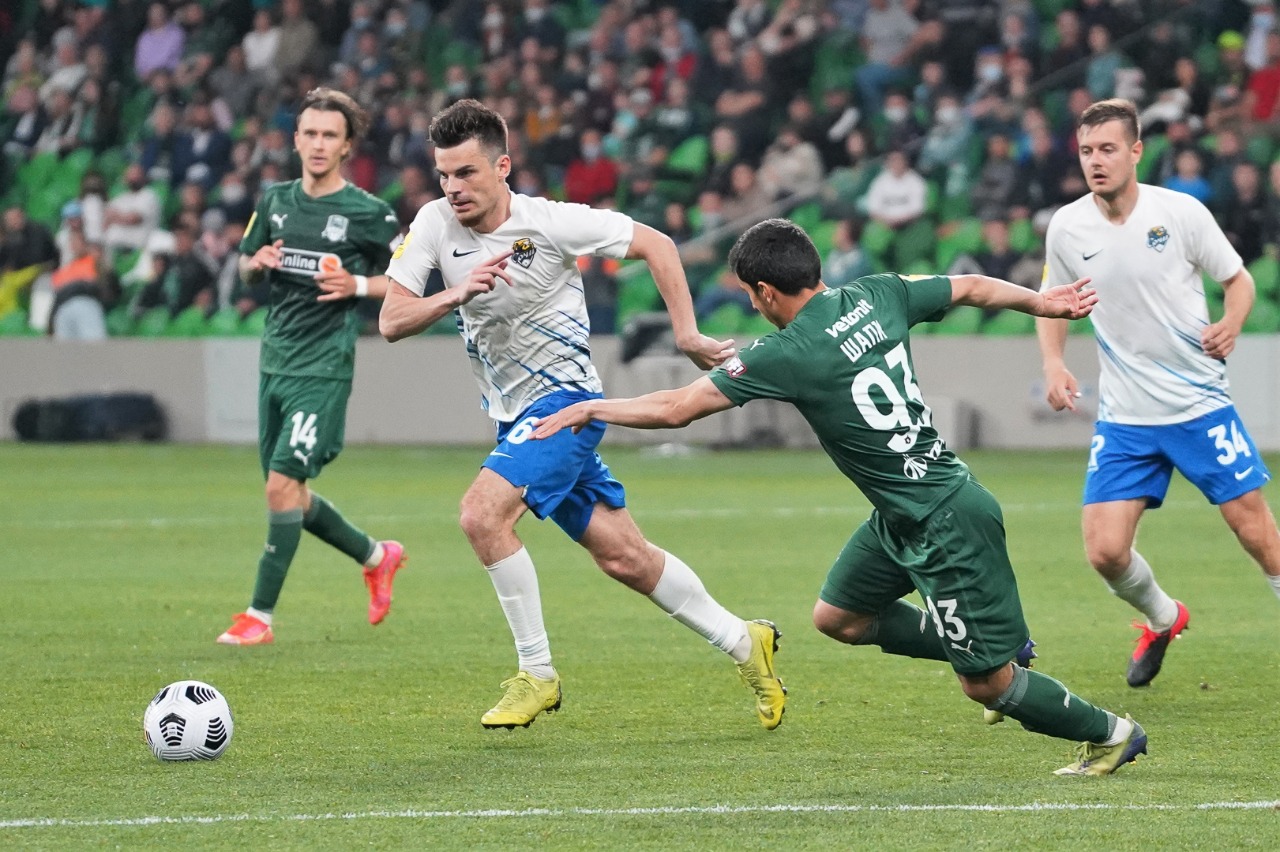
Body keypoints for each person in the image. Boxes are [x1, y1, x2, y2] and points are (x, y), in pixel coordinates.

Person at [532, 218, 1148, 777]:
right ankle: (991, 643)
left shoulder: (787, 351)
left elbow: (676, 408)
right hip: (903, 513)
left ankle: (1111, 734)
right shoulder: (879, 293)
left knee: (986, 686)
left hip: (943, 520)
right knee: (839, 617)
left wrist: (593, 407)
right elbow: (969, 287)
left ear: (765, 292)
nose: (753, 305)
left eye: (750, 295)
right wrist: (1040, 301)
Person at [379, 99, 786, 731]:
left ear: (502, 167)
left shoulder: (551, 223)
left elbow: (657, 244)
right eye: (444, 174)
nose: (452, 187)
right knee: (625, 557)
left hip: (566, 403)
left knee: (482, 515)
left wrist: (686, 334)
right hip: (511, 415)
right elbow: (391, 320)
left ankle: (536, 673)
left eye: (466, 173)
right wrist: (455, 292)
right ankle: (743, 640)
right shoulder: (433, 223)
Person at [1037, 98, 1280, 688]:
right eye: (1087, 151)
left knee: (1258, 536)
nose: (1096, 161)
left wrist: (1232, 322)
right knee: (1104, 552)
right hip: (1125, 417)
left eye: (1108, 149)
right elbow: (1052, 300)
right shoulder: (1067, 226)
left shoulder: (1180, 213)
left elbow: (1238, 281)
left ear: (1136, 151)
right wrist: (1053, 362)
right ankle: (1164, 618)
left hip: (1199, 407)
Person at [216, 87, 406, 646]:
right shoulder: (275, 201)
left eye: (331, 135)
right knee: (289, 494)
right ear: (296, 140)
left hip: (323, 368)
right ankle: (377, 556)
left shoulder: (369, 213)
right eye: (311, 134)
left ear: (347, 146)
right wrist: (256, 264)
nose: (319, 144)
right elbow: (246, 267)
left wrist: (358, 285)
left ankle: (258, 617)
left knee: (281, 487)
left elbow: (411, 279)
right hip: (274, 362)